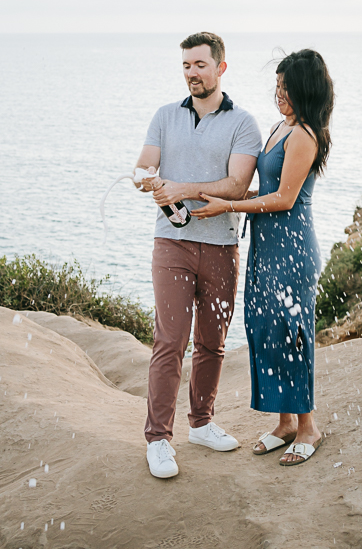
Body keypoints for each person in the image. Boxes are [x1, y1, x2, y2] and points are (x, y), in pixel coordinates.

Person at [193, 49, 334, 466]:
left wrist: (229, 208)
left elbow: (286, 198)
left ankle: (308, 426)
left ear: (305, 91)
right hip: (266, 247)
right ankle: (285, 421)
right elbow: (268, 190)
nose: (279, 96)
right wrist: (226, 195)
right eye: (276, 87)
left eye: (286, 89)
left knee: (292, 332)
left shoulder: (305, 135)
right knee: (265, 328)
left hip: (292, 250)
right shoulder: (279, 127)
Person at [135, 32, 262, 479]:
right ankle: (158, 439)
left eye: (200, 65)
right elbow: (146, 162)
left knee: (212, 341)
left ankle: (202, 423)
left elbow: (235, 186)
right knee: (170, 340)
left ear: (221, 68)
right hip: (170, 243)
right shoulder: (165, 115)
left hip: (222, 246)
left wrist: (183, 189)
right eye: (186, 65)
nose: (192, 73)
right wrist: (146, 179)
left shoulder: (244, 123)